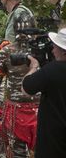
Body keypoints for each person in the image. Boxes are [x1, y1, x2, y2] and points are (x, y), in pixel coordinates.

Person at [0, 12, 40, 157]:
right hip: (15, 111)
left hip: (39, 110)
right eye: (20, 31)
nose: (23, 36)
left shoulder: (42, 51)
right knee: (17, 153)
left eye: (27, 31)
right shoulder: (6, 52)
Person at [22, 28, 66, 158]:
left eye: (55, 47)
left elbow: (26, 89)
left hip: (53, 140)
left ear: (64, 52)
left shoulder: (51, 71)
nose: (52, 50)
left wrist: (33, 67)